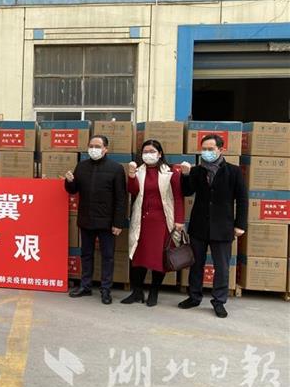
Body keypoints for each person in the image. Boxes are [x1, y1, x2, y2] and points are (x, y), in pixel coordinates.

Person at [179, 134, 247, 318]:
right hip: (199, 225)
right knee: (196, 264)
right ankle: (194, 296)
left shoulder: (233, 171)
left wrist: (240, 224)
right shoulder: (197, 170)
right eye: (204, 149)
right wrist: (185, 175)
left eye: (210, 149)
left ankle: (219, 301)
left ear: (220, 150)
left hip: (223, 226)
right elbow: (187, 191)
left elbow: (242, 199)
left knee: (222, 267)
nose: (207, 152)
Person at [64, 135, 127, 305]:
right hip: (86, 219)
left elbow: (121, 198)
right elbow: (73, 190)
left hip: (107, 222)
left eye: (98, 146)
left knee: (108, 256)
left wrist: (118, 223)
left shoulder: (116, 168)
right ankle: (85, 286)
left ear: (106, 149)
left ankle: (106, 290)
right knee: (86, 254)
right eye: (91, 146)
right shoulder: (82, 166)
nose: (94, 149)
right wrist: (69, 181)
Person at [122, 140, 185, 307]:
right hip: (141, 220)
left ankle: (154, 292)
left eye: (152, 151)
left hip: (162, 221)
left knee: (158, 258)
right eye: (145, 152)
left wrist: (179, 220)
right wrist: (131, 176)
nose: (148, 155)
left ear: (160, 153)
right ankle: (137, 292)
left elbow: (178, 197)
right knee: (138, 257)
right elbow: (133, 191)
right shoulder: (139, 171)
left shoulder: (171, 172)